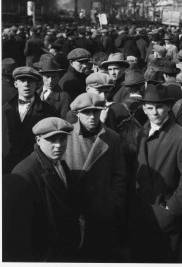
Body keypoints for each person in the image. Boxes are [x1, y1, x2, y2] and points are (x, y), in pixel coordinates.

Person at [128, 84, 182, 263]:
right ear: (143, 108)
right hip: (140, 215)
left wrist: (170, 209)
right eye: (150, 108)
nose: (155, 112)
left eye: (159, 107)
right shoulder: (141, 132)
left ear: (168, 106)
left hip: (164, 219)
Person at [63, 93, 126, 262]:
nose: (92, 117)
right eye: (86, 112)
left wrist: (112, 201)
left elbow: (119, 174)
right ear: (77, 113)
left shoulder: (112, 137)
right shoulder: (67, 136)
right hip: (75, 211)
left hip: (102, 211)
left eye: (96, 112)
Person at [9, 117, 81, 261]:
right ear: (38, 140)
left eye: (62, 139)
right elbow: (21, 231)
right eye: (52, 140)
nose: (58, 145)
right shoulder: (24, 173)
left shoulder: (59, 163)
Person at [2, 66, 54, 174]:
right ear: (15, 84)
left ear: (36, 85)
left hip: (34, 167)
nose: (26, 84)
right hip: (8, 166)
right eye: (22, 80)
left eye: (30, 81)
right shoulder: (4, 109)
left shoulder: (48, 110)